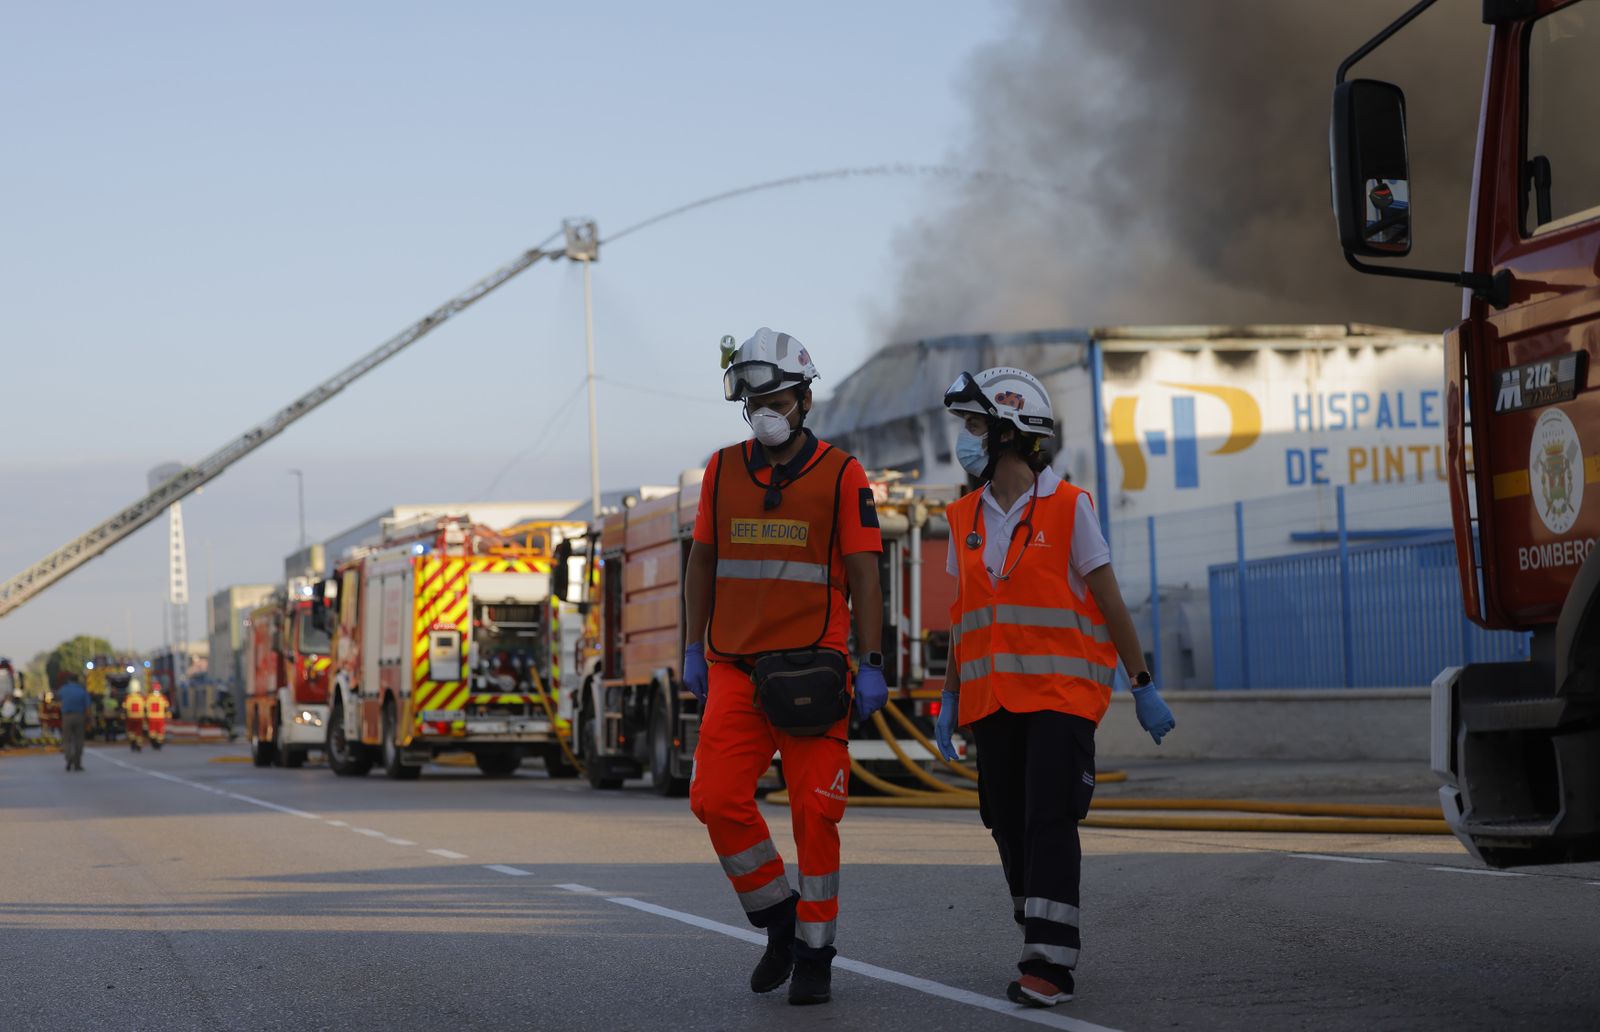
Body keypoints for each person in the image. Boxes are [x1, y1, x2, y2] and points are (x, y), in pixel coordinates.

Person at [935, 367, 1176, 1008]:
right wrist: (951, 696)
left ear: (1010, 431)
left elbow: (1110, 601)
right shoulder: (961, 516)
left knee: (1049, 817)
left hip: (1061, 699)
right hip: (992, 701)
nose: (965, 438)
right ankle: (1039, 919)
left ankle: (1049, 964)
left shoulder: (1071, 507)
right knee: (1005, 821)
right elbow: (963, 615)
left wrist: (1141, 683)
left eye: (976, 425)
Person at [683, 328, 887, 1006]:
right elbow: (702, 562)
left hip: (813, 671)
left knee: (814, 816)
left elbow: (865, 573)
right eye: (754, 402)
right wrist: (692, 646)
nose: (764, 413)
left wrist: (872, 661)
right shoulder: (721, 471)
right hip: (735, 667)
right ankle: (779, 917)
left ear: (804, 399)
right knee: (714, 800)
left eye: (775, 400)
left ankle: (815, 957)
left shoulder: (842, 474)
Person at [57, 672, 91, 772]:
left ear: (69, 680)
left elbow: (58, 701)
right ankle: (77, 763)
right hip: (79, 716)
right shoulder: (82, 690)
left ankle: (69, 758)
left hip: (66, 716)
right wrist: (89, 720)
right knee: (79, 740)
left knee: (67, 740)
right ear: (77, 680)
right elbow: (88, 707)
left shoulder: (63, 689)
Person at [124, 681, 147, 752]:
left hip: (130, 717)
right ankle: (139, 745)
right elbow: (145, 708)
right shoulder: (142, 698)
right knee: (139, 732)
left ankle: (133, 743)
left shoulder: (128, 698)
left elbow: (125, 708)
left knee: (131, 731)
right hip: (139, 718)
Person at [147, 685, 169, 750]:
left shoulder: (149, 697)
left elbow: (145, 707)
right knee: (160, 732)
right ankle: (159, 744)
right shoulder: (163, 697)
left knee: (152, 731)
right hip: (160, 718)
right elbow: (166, 707)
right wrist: (167, 714)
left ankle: (154, 743)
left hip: (151, 718)